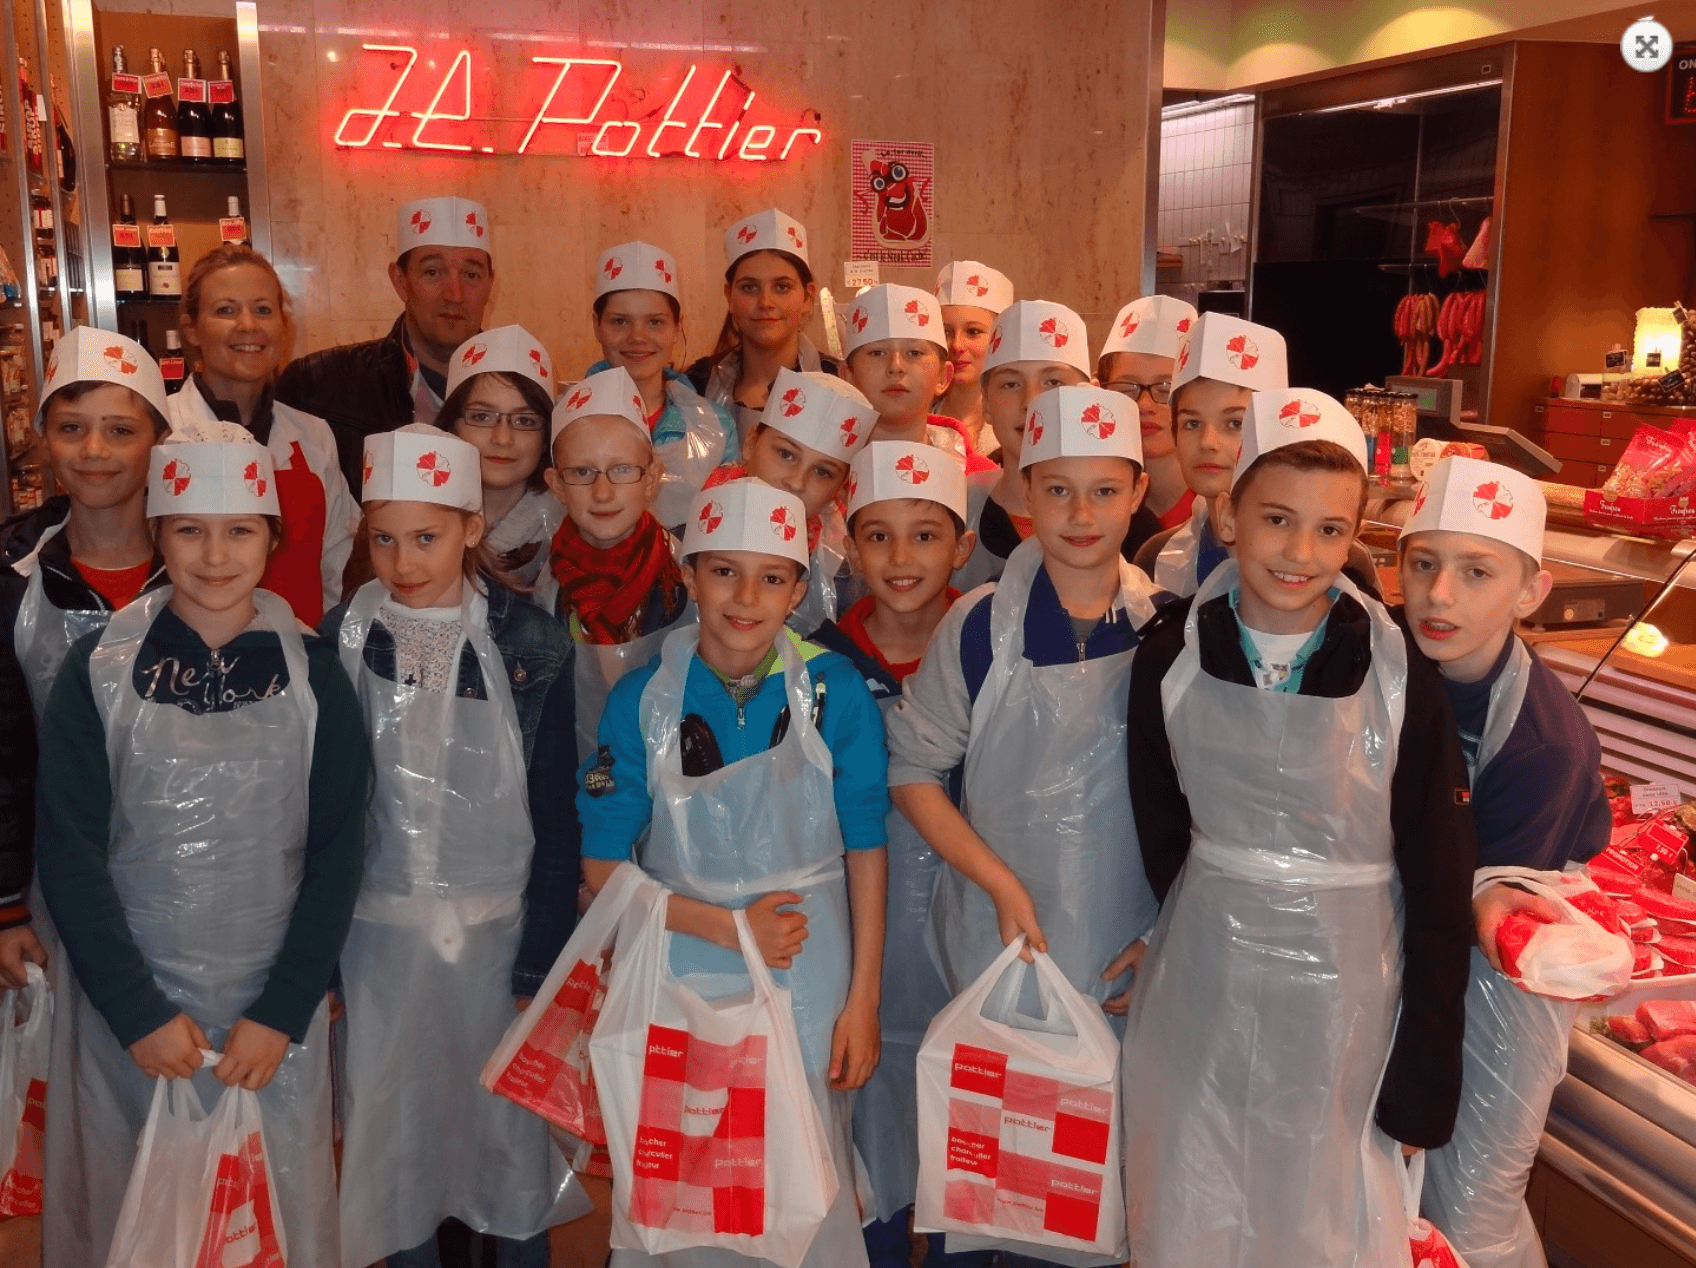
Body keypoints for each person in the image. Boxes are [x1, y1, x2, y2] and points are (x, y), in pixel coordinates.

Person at [1119, 391, 1477, 1268]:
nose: (1301, 552)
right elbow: (1161, 824)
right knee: (1197, 1194)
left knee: (1322, 1213)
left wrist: (1425, 1073)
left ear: (1354, 536)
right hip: (1205, 980)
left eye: (1329, 530)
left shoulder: (1401, 674)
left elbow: (1439, 879)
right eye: (1277, 519)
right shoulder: (1170, 656)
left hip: (1349, 997)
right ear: (1230, 517)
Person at [37, 421, 369, 1268]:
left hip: (269, 1018)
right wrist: (137, 1013)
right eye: (189, 530)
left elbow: (337, 852)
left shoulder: (317, 674)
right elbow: (70, 850)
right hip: (130, 1019)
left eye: (240, 531)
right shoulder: (98, 670)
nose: (215, 556)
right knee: (130, 1217)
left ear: (273, 539)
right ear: (156, 532)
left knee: (267, 1224)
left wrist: (283, 1010)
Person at [577, 477, 890, 1268]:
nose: (747, 598)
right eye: (724, 572)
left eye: (772, 577)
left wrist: (863, 1000)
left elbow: (865, 843)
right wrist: (729, 928)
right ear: (689, 575)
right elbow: (603, 866)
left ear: (798, 588)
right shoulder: (643, 698)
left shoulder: (834, 690)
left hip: (809, 969)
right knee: (687, 1167)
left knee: (801, 1165)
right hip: (681, 962)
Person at [326, 424, 585, 1268]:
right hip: (377, 937)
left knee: (507, 1140)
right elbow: (318, 814)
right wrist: (324, 962)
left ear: (472, 527)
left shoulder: (530, 644)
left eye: (427, 538)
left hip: (496, 939)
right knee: (392, 1139)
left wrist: (537, 964)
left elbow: (556, 816)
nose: (403, 562)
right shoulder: (338, 639)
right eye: (384, 539)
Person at [889, 385, 1160, 1019]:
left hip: (1128, 946)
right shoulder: (980, 625)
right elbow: (911, 771)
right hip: (996, 926)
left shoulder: (1165, 629)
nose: (1082, 515)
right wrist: (999, 882)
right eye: (1058, 490)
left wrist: (1161, 934)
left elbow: (1197, 806)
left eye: (1105, 491)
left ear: (1137, 494)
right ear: (1026, 492)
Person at [1398, 456, 1609, 1268]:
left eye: (1477, 572)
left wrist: (1418, 1075)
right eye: (1423, 564)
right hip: (1407, 937)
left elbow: (1471, 912)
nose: (1439, 595)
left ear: (1531, 592)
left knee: (1468, 1212)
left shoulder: (1543, 745)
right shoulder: (1378, 653)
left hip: (1492, 980)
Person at [809, 442, 985, 1268]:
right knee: (867, 1140)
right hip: (855, 943)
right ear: (850, 544)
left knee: (965, 1138)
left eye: (926, 535)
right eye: (878, 536)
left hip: (970, 933)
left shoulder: (989, 650)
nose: (902, 558)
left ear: (963, 546)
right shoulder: (816, 660)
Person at [0, 328, 170, 991]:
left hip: (182, 874)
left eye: (120, 431)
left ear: (158, 440)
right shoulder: (11, 578)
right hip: (47, 885)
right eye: (72, 428)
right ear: (45, 436)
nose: (94, 451)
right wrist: (6, 903)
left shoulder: (204, 568)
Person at [170, 242, 361, 625]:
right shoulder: (161, 431)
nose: (248, 325)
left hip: (300, 653)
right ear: (192, 329)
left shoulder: (313, 436)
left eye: (263, 310)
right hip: (190, 655)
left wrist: (326, 647)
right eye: (225, 310)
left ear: (282, 327)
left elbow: (338, 568)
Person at [277, 195, 494, 492]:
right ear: (401, 281)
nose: (454, 294)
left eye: (471, 275)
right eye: (432, 272)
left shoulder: (520, 395)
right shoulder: (316, 386)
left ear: (490, 284)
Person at [539, 365, 691, 757]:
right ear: (557, 486)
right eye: (582, 472)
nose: (603, 493)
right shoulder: (541, 590)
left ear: (651, 479)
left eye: (622, 470)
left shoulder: (687, 579)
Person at [704, 367, 878, 634]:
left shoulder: (843, 578)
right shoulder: (689, 539)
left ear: (839, 488)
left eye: (822, 472)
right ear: (751, 443)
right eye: (786, 454)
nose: (797, 482)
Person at [1131, 312, 1288, 597]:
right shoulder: (1157, 558)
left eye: (1235, 424)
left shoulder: (1332, 559)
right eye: (1192, 423)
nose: (1208, 443)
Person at [587, 239, 739, 532]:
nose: (637, 337)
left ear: (677, 327)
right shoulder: (563, 419)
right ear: (597, 326)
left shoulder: (716, 426)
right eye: (620, 322)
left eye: (655, 322)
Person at [686, 208, 841, 444]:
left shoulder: (839, 385)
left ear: (808, 298)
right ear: (729, 297)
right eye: (749, 288)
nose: (765, 302)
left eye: (782, 287)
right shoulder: (696, 385)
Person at [438, 323, 561, 587]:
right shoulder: (407, 518)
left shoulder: (569, 532)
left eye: (525, 421)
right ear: (451, 426)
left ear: (545, 438)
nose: (503, 438)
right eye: (481, 417)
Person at [842, 284, 993, 475]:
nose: (896, 366)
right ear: (848, 377)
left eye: (914, 352)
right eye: (877, 352)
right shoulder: (824, 473)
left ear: (943, 377)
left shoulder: (983, 480)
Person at [1097, 295, 1198, 530]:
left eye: (1165, 389)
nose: (1144, 405)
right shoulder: (1089, 504)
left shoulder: (1216, 508)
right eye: (1127, 389)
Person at [933, 261, 1015, 461]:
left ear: (1000, 339)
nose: (957, 345)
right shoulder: (920, 427)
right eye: (946, 332)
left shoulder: (1017, 432)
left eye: (973, 331)